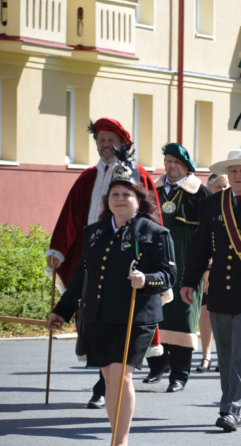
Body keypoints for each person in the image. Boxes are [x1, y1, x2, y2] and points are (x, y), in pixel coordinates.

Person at [47, 155, 176, 446]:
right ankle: (117, 435)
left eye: (126, 194)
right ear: (108, 200)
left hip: (134, 317)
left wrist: (147, 280)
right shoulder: (94, 233)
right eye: (115, 194)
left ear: (137, 199)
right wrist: (61, 311)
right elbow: (82, 276)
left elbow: (169, 275)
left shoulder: (155, 233)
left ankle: (120, 441)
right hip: (98, 316)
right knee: (110, 380)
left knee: (121, 376)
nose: (120, 199)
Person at [46, 117, 162, 409]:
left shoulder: (138, 175)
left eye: (111, 140)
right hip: (95, 260)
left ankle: (106, 387)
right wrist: (59, 248)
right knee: (94, 322)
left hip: (129, 266)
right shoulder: (87, 177)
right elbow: (70, 215)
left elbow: (152, 215)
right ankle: (104, 383)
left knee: (122, 334)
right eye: (100, 140)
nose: (105, 145)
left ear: (122, 144)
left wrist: (152, 262)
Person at [181, 149, 241, 432]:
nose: (237, 175)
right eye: (233, 170)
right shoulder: (214, 203)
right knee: (226, 354)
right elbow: (201, 244)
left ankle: (231, 410)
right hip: (220, 289)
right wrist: (189, 280)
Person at [143, 144, 210, 392]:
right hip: (155, 262)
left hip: (187, 264)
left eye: (176, 162)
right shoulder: (151, 190)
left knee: (184, 316)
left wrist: (207, 267)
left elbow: (208, 236)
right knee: (153, 313)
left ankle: (180, 374)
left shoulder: (201, 194)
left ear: (187, 166)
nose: (171, 166)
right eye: (168, 161)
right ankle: (157, 365)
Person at [196, 173, 230, 373]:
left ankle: (221, 356)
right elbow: (203, 239)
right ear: (210, 189)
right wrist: (207, 268)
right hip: (209, 266)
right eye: (219, 187)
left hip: (229, 268)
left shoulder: (234, 206)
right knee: (206, 311)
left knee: (224, 313)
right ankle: (206, 355)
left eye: (226, 186)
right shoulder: (208, 207)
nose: (224, 190)